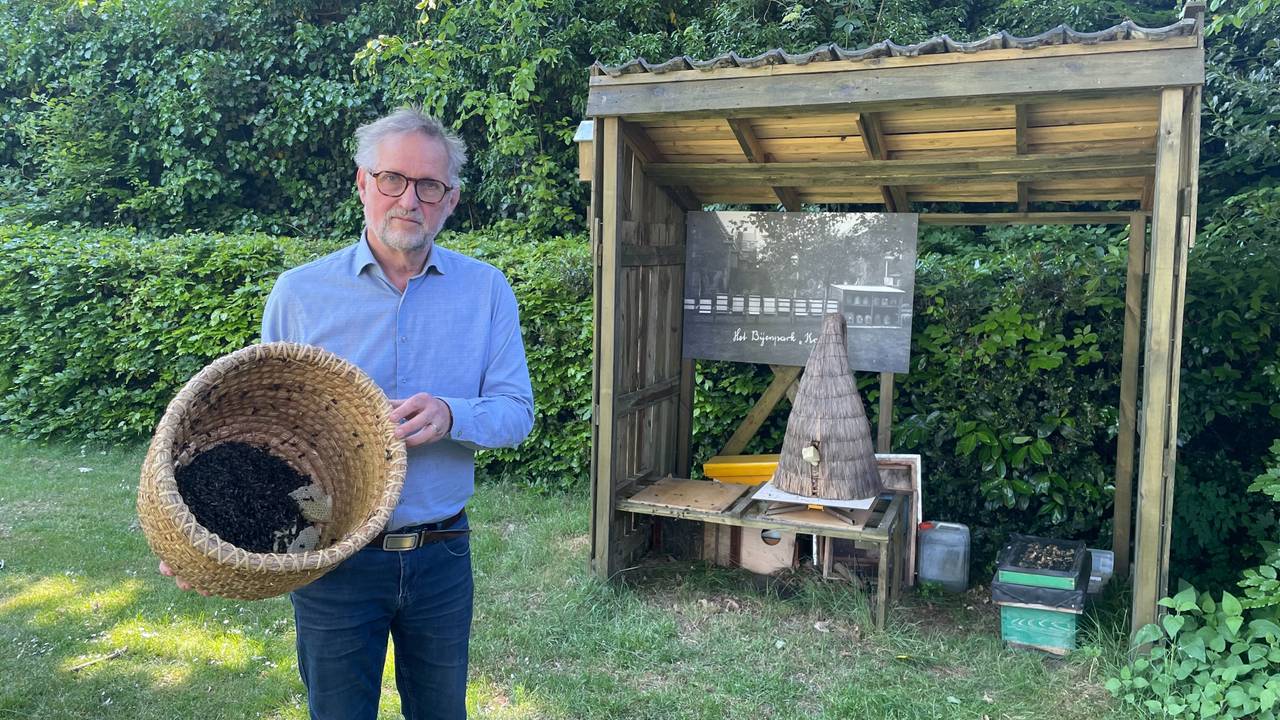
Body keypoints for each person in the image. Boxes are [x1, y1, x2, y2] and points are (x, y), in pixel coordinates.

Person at [159, 107, 535, 720]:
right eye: (393, 179)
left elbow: (516, 414)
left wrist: (450, 413)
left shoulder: (486, 290)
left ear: (451, 200)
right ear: (363, 183)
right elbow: (257, 434)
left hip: (441, 554)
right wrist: (197, 538)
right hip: (332, 562)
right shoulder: (300, 295)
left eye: (428, 186)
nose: (409, 199)